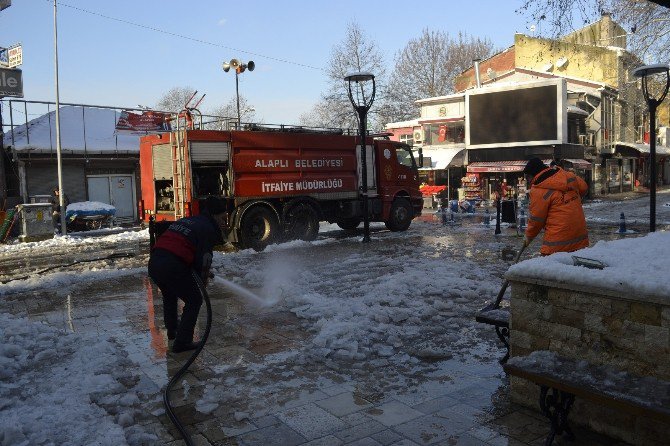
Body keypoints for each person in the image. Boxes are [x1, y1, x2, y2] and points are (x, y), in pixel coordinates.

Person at [148, 197, 226, 353]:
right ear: (215, 216)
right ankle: (182, 342)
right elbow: (204, 259)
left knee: (169, 294)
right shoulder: (208, 229)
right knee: (195, 299)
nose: (225, 222)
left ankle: (173, 331)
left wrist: (200, 271)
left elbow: (186, 248)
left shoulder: (191, 221)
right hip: (171, 265)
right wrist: (202, 283)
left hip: (155, 262)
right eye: (223, 218)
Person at [523, 158, 589, 255]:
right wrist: (572, 201)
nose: (527, 181)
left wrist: (528, 237)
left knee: (548, 268)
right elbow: (584, 187)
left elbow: (536, 220)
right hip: (580, 239)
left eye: (527, 177)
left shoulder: (538, 190)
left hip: (556, 244)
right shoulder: (567, 176)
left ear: (533, 174)